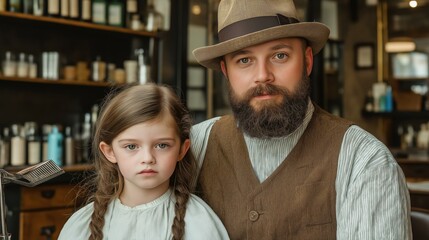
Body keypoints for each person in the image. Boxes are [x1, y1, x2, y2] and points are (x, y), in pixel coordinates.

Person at [191, 0, 412, 239]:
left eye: (280, 55)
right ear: (226, 72)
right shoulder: (194, 146)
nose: (263, 75)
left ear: (307, 61)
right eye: (244, 60)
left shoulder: (365, 162)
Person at [58, 83, 229, 240]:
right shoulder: (81, 226)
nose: (148, 158)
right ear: (109, 152)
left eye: (162, 145)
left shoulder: (199, 223)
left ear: (182, 150)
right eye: (132, 146)